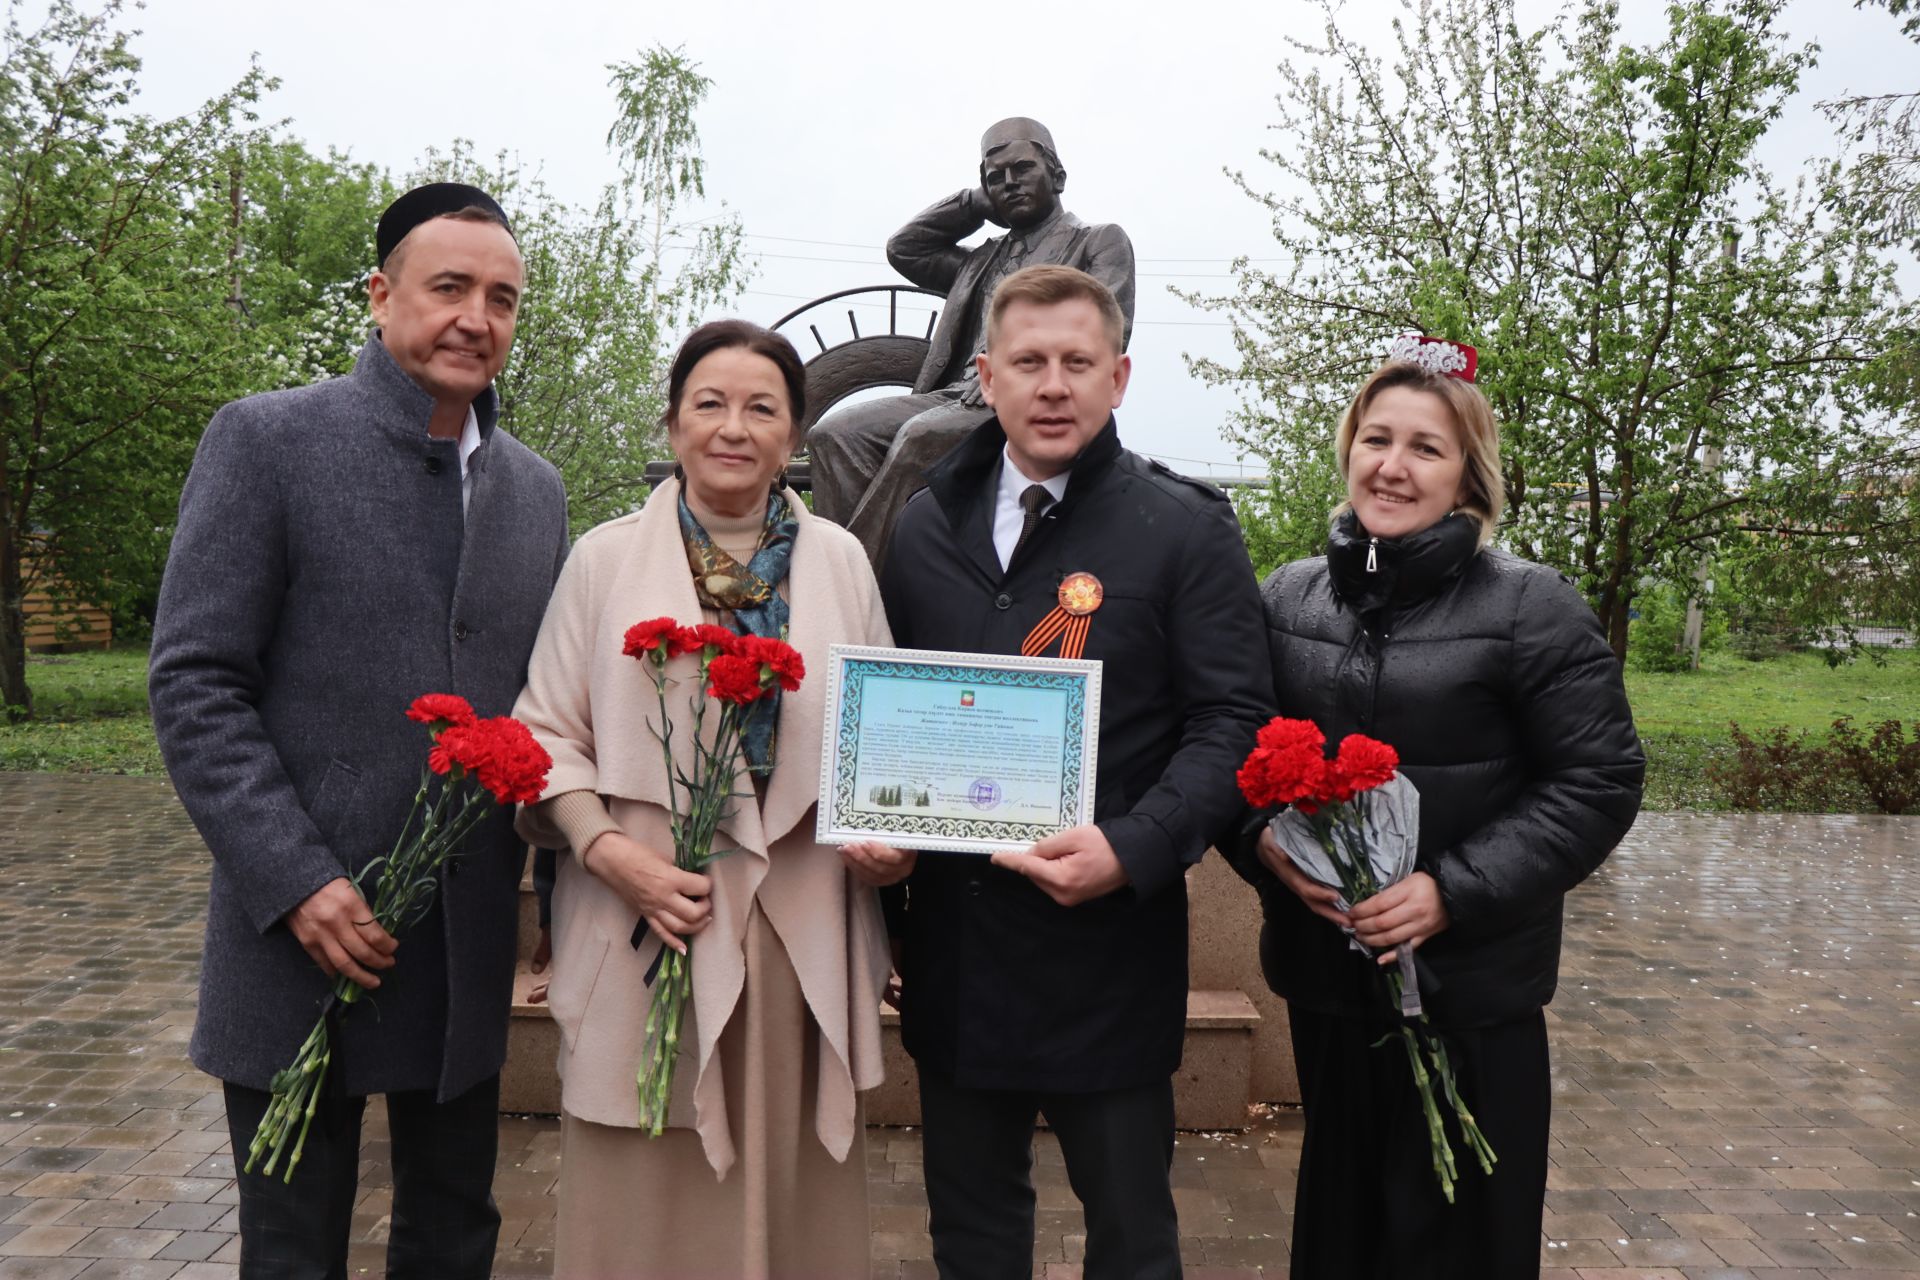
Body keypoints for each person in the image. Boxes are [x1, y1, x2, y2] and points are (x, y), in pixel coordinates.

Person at [148, 182, 570, 1278]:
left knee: (453, 1235)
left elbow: (547, 712)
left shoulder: (535, 491)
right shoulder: (268, 441)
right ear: (381, 295)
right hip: (299, 938)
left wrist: (558, 903)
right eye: (449, 287)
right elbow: (196, 680)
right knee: (291, 1249)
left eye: (503, 297)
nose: (477, 316)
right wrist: (293, 877)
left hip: (462, 942)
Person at [879, 265, 1274, 1280]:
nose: (1053, 384)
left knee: (1132, 1236)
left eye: (1077, 362)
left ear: (1119, 376)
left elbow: (1233, 719)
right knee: (972, 1234)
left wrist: (1134, 845)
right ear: (986, 377)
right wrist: (880, 844)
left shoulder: (1184, 528)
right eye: (1029, 362)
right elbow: (896, 714)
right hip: (961, 949)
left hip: (1106, 947)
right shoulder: (923, 526)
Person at [1222, 337, 1645, 1279]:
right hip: (1331, 985)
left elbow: (1599, 778)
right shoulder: (1286, 596)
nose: (1394, 466)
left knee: (1462, 1236)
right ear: (1347, 451)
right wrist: (1263, 846)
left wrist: (1452, 890)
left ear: (1468, 479)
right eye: (1377, 438)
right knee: (1343, 1231)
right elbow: (1230, 753)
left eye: (1426, 448)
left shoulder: (1532, 606)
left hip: (1473, 991)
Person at [511, 319, 912, 1278]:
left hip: (799, 922)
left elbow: (891, 743)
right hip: (652, 918)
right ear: (674, 420)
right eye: (710, 403)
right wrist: (611, 854)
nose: (734, 427)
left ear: (795, 435)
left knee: (791, 1195)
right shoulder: (604, 561)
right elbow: (542, 737)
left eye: (762, 408)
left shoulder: (844, 564)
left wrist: (897, 842)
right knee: (645, 1188)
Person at [807, 117, 1136, 568]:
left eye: (1022, 169)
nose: (1009, 183)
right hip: (956, 396)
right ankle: (884, 581)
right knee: (834, 434)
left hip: (1031, 402)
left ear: (1057, 175)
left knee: (920, 437)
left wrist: (1023, 370)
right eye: (995, 177)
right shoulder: (982, 259)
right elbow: (905, 249)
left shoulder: (1097, 242)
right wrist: (974, 203)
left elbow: (1105, 333)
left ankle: (846, 584)